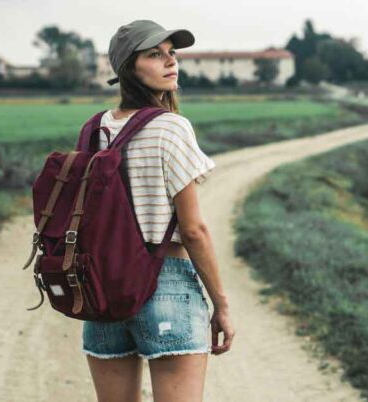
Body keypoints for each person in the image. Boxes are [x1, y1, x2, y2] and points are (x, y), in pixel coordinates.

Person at [81, 20, 235, 402]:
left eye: (172, 53)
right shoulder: (171, 128)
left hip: (102, 291)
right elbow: (194, 229)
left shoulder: (93, 129)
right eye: (155, 55)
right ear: (128, 67)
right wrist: (222, 303)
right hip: (165, 283)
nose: (170, 62)